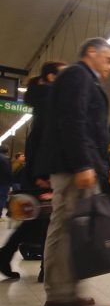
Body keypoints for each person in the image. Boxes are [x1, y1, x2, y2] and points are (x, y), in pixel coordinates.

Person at [41, 37, 110, 306]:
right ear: (91, 52)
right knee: (66, 229)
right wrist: (83, 164)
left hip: (74, 165)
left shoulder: (85, 79)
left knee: (69, 228)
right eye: (109, 60)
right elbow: (73, 120)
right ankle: (61, 294)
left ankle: (64, 291)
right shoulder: (77, 74)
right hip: (73, 166)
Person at [0, 61, 65, 281]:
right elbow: (46, 144)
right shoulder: (50, 104)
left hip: (40, 173)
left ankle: (7, 257)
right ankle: (47, 271)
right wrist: (42, 177)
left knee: (35, 222)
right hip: (43, 176)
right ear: (50, 77)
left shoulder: (45, 103)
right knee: (48, 223)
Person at [0, 146, 11, 221]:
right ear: (7, 151)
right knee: (2, 198)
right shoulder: (6, 159)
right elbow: (8, 172)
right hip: (3, 183)